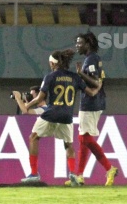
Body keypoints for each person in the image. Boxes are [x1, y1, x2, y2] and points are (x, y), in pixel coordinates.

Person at [19, 49, 104, 185]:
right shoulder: (75, 77)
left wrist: (27, 105)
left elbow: (40, 98)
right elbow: (91, 93)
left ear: (53, 64)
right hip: (67, 116)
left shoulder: (50, 77)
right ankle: (72, 173)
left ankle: (34, 173)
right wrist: (98, 86)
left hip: (51, 113)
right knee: (68, 144)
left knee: (34, 137)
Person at [67, 32, 119, 187]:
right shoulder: (92, 59)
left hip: (91, 102)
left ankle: (109, 168)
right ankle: (80, 175)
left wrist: (80, 74)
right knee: (83, 137)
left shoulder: (91, 59)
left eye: (79, 42)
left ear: (88, 44)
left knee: (84, 139)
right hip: (92, 102)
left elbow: (96, 83)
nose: (77, 45)